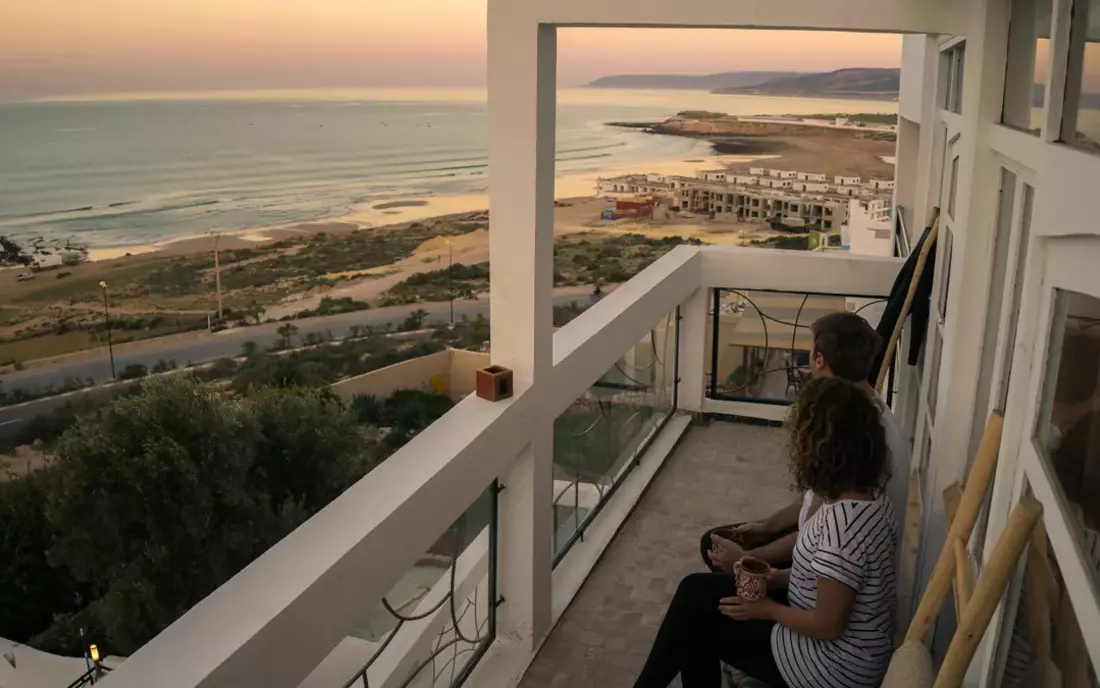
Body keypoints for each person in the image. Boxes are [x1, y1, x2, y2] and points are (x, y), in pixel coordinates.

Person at [634, 378, 898, 688]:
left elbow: (828, 624)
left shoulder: (844, 526)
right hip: (844, 651)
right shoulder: (868, 497)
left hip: (832, 667)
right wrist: (775, 576)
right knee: (696, 598)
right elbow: (832, 581)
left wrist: (768, 610)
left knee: (696, 620)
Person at [702, 311, 909, 573]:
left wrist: (748, 559)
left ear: (819, 360)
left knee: (712, 557)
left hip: (828, 570)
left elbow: (821, 534)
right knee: (717, 540)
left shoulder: (858, 433)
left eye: (811, 352)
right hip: (824, 543)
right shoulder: (861, 410)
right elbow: (816, 497)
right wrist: (767, 526)